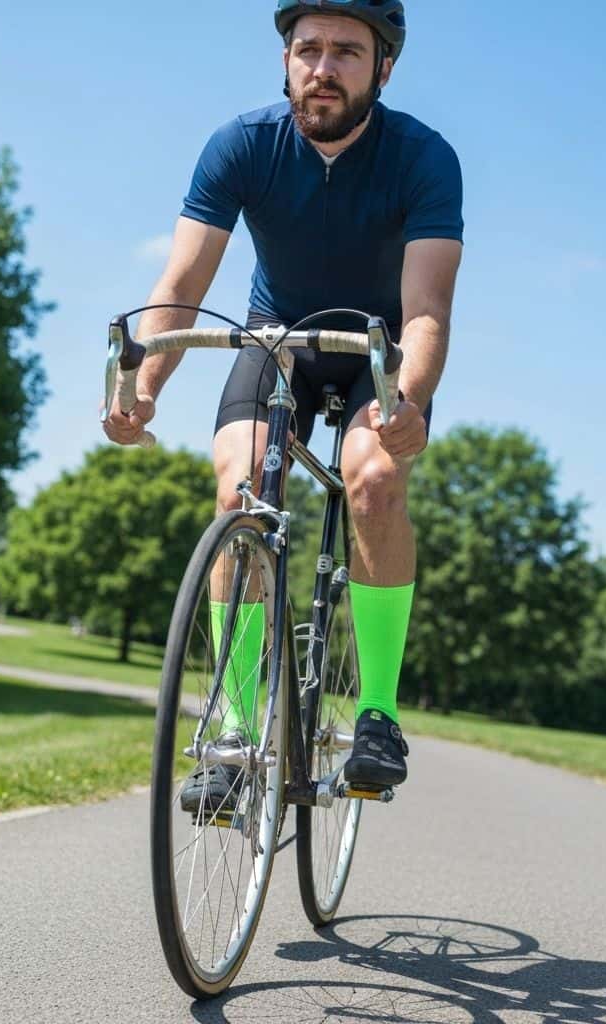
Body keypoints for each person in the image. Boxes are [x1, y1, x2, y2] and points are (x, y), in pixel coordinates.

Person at [104, 0, 463, 804]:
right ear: (286, 60)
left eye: (346, 51)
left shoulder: (424, 158)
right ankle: (232, 733)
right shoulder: (241, 145)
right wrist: (145, 387)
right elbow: (184, 284)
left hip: (377, 348)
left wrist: (406, 399)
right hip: (279, 337)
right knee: (239, 488)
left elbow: (428, 309)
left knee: (370, 480)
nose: (323, 68)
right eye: (307, 49)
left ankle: (377, 713)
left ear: (384, 67)